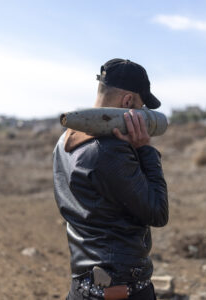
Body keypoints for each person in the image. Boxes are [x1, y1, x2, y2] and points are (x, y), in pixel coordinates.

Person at [53, 58, 168, 300]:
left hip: (82, 288)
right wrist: (145, 149)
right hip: (122, 290)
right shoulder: (110, 151)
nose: (144, 115)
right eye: (140, 106)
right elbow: (158, 211)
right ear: (127, 102)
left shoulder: (65, 140)